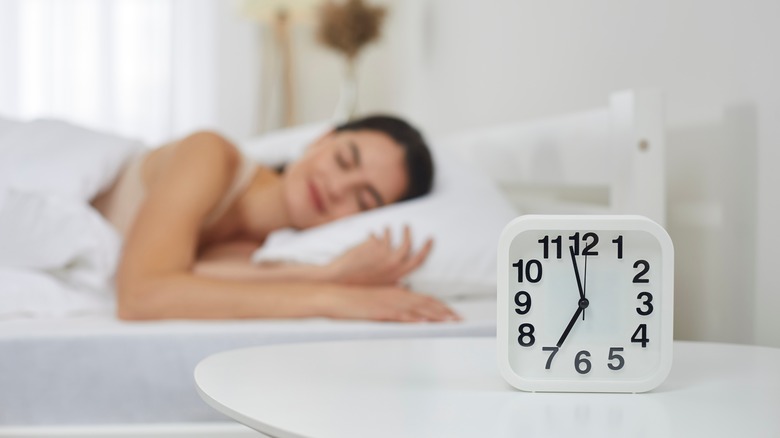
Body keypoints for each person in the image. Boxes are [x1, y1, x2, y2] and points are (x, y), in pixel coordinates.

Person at [91, 115, 460, 322]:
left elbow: (190, 281)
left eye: (363, 199)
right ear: (321, 139)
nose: (336, 188)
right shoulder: (210, 154)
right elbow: (142, 295)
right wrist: (332, 297)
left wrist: (328, 273)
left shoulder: (263, 250)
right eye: (344, 160)